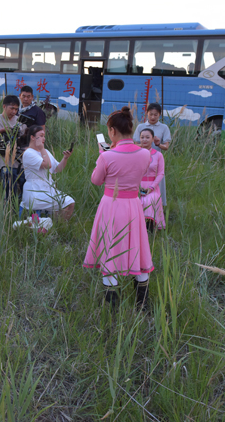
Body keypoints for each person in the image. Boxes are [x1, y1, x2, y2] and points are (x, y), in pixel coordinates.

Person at [83, 107, 153, 310]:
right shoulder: (145, 154)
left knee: (110, 250)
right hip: (134, 206)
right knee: (138, 248)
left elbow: (96, 180)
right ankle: (142, 303)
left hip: (111, 207)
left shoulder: (107, 156)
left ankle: (112, 307)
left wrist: (102, 156)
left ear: (112, 131)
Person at [20, 125, 75, 219]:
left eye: (44, 136)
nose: (44, 138)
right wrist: (41, 149)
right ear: (32, 137)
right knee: (65, 203)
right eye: (41, 136)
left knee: (70, 202)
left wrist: (65, 158)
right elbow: (47, 165)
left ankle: (58, 224)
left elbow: (57, 169)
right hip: (35, 191)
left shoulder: (46, 152)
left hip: (47, 189)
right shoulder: (28, 153)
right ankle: (55, 224)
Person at [0, 95, 25, 199]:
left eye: (16, 109)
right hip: (4, 158)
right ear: (4, 106)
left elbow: (27, 137)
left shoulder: (20, 121)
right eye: (12, 108)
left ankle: (22, 202)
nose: (14, 112)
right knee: (9, 176)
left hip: (20, 158)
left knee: (24, 179)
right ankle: (9, 202)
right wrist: (1, 130)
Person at [133, 103, 171, 206]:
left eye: (156, 115)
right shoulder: (141, 126)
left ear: (160, 115)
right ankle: (139, 206)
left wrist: (158, 144)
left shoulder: (164, 127)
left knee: (158, 181)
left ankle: (158, 206)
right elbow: (135, 144)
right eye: (151, 114)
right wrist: (145, 143)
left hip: (156, 160)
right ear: (147, 113)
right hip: (141, 158)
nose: (153, 117)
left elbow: (166, 147)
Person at [138, 128, 166, 232]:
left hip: (152, 186)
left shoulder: (158, 155)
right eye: (142, 137)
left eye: (147, 137)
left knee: (149, 200)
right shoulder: (135, 153)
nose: (144, 140)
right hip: (136, 185)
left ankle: (148, 229)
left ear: (153, 139)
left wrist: (151, 187)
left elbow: (160, 173)